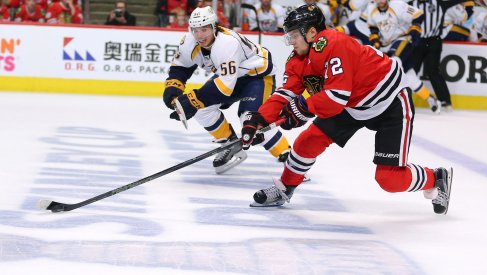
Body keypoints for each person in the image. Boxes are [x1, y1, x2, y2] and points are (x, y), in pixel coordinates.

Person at [241, 4, 453, 215]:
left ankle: (436, 178)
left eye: (295, 35)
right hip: (352, 104)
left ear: (312, 32)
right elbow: (285, 93)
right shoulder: (298, 59)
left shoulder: (334, 43)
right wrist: (258, 119)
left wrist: (300, 109)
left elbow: (336, 96)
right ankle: (285, 188)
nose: (291, 41)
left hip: (390, 101)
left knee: (389, 179)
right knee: (307, 141)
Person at [162, 6, 291, 174]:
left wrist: (192, 101)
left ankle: (289, 159)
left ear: (214, 27)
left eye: (204, 29)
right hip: (232, 76)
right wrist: (172, 89)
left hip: (257, 76)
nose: (200, 35)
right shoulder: (188, 42)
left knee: (251, 120)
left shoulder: (226, 43)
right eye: (195, 30)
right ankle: (229, 143)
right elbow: (180, 67)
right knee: (202, 110)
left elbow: (224, 88)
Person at [367, 0, 441, 113]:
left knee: (393, 63)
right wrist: (375, 40)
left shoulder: (398, 5)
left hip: (402, 39)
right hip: (386, 45)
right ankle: (430, 98)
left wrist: (415, 28)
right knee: (409, 76)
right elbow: (373, 28)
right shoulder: (371, 8)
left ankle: (385, 103)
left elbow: (419, 14)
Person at [408, 0, 467, 111]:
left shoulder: (439, 3)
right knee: (411, 71)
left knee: (433, 71)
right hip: (417, 42)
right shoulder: (411, 4)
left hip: (434, 42)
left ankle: (445, 101)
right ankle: (404, 99)